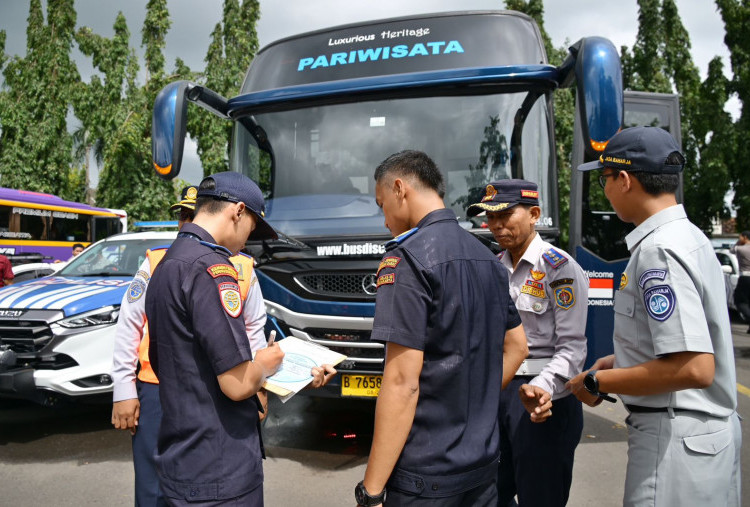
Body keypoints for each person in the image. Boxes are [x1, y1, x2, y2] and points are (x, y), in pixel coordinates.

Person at [356, 150, 549, 507]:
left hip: (425, 473)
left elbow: (402, 383)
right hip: (482, 465)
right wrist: (472, 404)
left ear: (400, 189)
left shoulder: (405, 260)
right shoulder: (488, 260)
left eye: (382, 205)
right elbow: (518, 346)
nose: (384, 220)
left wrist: (371, 490)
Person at [569, 126, 741, 506]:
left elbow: (695, 367)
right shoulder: (690, 237)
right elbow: (682, 343)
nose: (605, 189)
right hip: (699, 437)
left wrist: (599, 381)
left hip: (675, 437)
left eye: (604, 179)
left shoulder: (659, 251)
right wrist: (621, 362)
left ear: (625, 180)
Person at [145, 172, 335, 506]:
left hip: (182, 455)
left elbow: (187, 363)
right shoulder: (213, 268)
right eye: (252, 227)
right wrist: (266, 363)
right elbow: (236, 383)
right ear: (237, 211)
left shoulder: (167, 262)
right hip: (218, 466)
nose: (248, 241)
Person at [110, 185, 265, 506]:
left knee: (200, 478)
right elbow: (129, 326)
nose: (186, 221)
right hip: (156, 387)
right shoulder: (156, 261)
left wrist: (260, 385)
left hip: (218, 387)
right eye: (182, 215)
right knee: (155, 484)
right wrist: (123, 389)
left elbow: (255, 330)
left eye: (190, 214)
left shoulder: (242, 266)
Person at [466, 179, 588, 506]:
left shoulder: (558, 269)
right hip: (498, 390)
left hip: (543, 399)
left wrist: (543, 387)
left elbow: (572, 349)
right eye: (490, 217)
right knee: (490, 494)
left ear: (534, 214)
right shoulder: (492, 268)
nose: (496, 224)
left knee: (540, 496)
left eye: (505, 214)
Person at [731, 230, 750, 331]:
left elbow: (731, 250)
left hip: (745, 278)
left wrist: (739, 242)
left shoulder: (740, 248)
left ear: (745, 237)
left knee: (740, 301)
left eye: (740, 237)